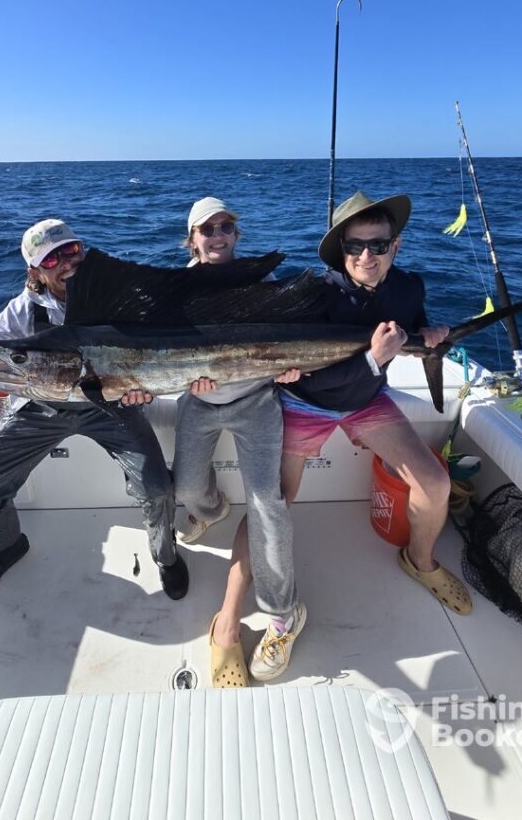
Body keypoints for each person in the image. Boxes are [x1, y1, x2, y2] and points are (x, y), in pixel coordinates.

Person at [0, 218, 188, 606]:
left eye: (71, 250)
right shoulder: (20, 312)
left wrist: (142, 387)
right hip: (40, 407)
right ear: (35, 272)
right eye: (51, 259)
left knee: (157, 488)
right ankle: (3, 548)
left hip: (110, 406)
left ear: (83, 251)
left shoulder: (119, 302)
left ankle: (165, 555)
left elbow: (156, 358)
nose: (66, 262)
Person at [279, 191, 472, 615]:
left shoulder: (409, 287)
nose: (366, 256)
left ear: (395, 245)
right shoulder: (313, 293)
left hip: (367, 401)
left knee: (435, 484)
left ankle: (419, 561)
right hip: (306, 402)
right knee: (280, 498)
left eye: (378, 245)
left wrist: (429, 335)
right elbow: (313, 376)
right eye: (355, 246)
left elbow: (414, 327)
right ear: (342, 249)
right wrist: (373, 359)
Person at [174, 197, 306, 686]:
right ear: (192, 239)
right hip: (199, 401)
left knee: (269, 503)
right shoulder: (176, 290)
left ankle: (283, 613)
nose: (218, 235)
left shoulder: (261, 284)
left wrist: (289, 370)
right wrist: (184, 380)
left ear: (236, 234)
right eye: (207, 229)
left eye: (226, 226)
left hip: (256, 401)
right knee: (187, 489)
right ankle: (211, 511)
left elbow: (288, 341)